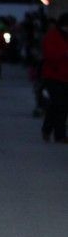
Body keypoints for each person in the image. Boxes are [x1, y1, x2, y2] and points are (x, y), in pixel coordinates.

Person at [41, 13, 68, 143]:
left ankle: (47, 129)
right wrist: (64, 54)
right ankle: (60, 135)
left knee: (59, 105)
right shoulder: (52, 36)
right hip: (53, 76)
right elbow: (49, 55)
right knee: (59, 104)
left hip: (65, 76)